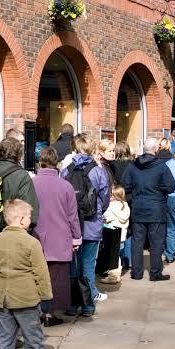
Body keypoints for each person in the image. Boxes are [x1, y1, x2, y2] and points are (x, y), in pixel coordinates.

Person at [0, 200, 53, 349]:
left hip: (2, 299)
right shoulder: (31, 243)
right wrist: (46, 298)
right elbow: (41, 273)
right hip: (27, 300)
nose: (31, 221)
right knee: (33, 338)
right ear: (22, 220)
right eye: (29, 217)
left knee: (3, 340)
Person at [30, 147, 80, 326]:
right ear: (57, 162)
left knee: (35, 277)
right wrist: (77, 237)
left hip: (36, 238)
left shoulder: (31, 183)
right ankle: (50, 313)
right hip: (60, 238)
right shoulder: (66, 186)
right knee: (57, 279)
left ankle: (36, 312)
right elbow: (72, 216)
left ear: (40, 162)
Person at [61, 134, 110, 314]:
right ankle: (88, 306)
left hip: (72, 226)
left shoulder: (66, 171)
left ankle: (73, 306)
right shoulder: (98, 171)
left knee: (73, 266)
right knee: (88, 266)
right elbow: (105, 199)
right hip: (92, 224)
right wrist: (98, 213)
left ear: (75, 148)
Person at [121, 138, 174, 281]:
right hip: (156, 208)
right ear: (156, 149)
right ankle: (155, 273)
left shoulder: (133, 166)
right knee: (156, 242)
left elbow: (125, 185)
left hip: (138, 207)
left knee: (137, 242)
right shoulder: (161, 166)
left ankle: (136, 273)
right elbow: (170, 187)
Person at [101, 184, 130, 282]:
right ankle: (117, 272)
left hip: (112, 236)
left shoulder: (111, 206)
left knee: (113, 256)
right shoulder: (125, 206)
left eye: (111, 195)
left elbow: (105, 217)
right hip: (122, 236)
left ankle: (113, 276)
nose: (109, 197)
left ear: (115, 196)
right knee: (118, 255)